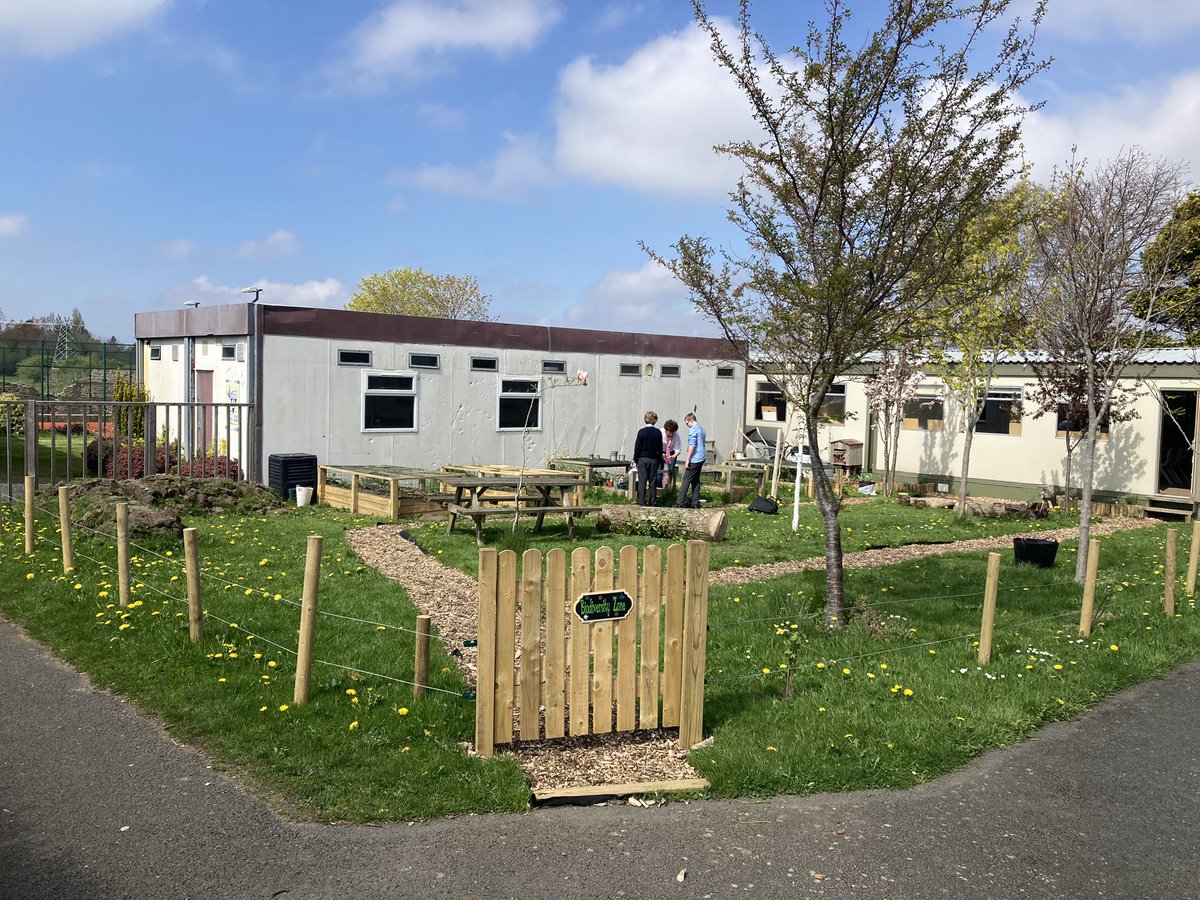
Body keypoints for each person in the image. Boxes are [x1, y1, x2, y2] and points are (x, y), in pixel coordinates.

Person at [674, 411, 707, 508]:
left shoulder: (693, 430)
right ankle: (695, 502)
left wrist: (687, 460)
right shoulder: (701, 429)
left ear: (690, 420)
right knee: (695, 480)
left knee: (686, 479)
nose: (687, 425)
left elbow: (692, 445)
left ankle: (680, 502)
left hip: (695, 458)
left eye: (687, 423)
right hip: (702, 456)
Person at [632, 411, 665, 506]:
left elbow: (637, 446)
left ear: (645, 419)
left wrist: (636, 458)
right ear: (655, 420)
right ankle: (653, 501)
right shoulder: (658, 432)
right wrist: (659, 460)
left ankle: (642, 501)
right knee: (653, 480)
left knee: (642, 480)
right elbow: (660, 447)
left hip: (643, 458)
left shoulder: (641, 432)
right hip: (654, 459)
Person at [660, 419, 682, 490]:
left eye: (672, 432)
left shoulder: (676, 435)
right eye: (669, 432)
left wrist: (673, 456)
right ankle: (658, 487)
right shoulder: (661, 432)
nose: (670, 434)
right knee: (659, 470)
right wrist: (662, 455)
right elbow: (657, 445)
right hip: (661, 451)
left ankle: (668, 487)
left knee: (670, 470)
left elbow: (678, 448)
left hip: (671, 452)